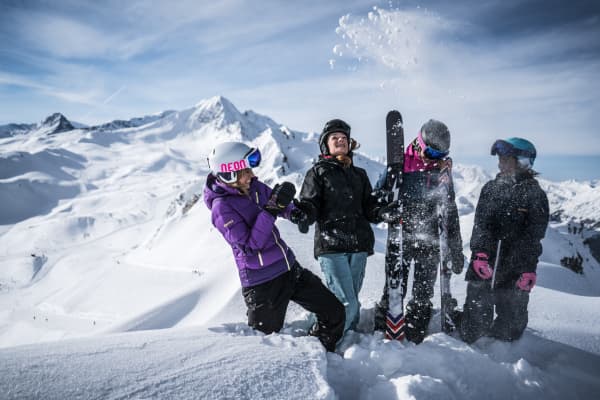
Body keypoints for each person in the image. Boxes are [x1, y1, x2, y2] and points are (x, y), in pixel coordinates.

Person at [203, 141, 345, 352]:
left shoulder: (254, 187)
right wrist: (270, 211)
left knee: (334, 312)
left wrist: (294, 213)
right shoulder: (221, 209)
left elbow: (277, 202)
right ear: (229, 174)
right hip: (263, 284)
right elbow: (250, 246)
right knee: (265, 345)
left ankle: (318, 352)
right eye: (245, 171)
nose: (251, 175)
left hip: (289, 268)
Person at [373, 119, 464, 344]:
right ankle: (381, 331)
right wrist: (384, 210)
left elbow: (450, 211)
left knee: (423, 294)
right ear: (420, 144)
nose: (433, 159)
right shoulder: (399, 166)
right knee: (395, 288)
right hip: (401, 237)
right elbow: (376, 198)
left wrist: (456, 249)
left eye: (440, 155)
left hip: (430, 240)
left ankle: (416, 334)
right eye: (431, 152)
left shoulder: (442, 173)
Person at [297, 119, 389, 336]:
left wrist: (383, 212)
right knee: (348, 303)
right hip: (332, 245)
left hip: (358, 245)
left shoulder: (359, 175)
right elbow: (310, 203)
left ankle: (345, 339)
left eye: (344, 138)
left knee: (350, 299)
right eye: (334, 138)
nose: (340, 140)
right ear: (325, 145)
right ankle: (323, 339)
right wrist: (304, 214)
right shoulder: (317, 173)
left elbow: (370, 209)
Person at [456, 137, 549, 343]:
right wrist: (480, 254)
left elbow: (533, 237)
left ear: (522, 162)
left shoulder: (535, 195)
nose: (500, 164)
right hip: (485, 265)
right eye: (500, 159)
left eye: (506, 160)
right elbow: (482, 225)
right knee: (473, 329)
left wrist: (528, 269)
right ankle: (461, 322)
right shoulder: (491, 188)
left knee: (510, 331)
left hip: (514, 269)